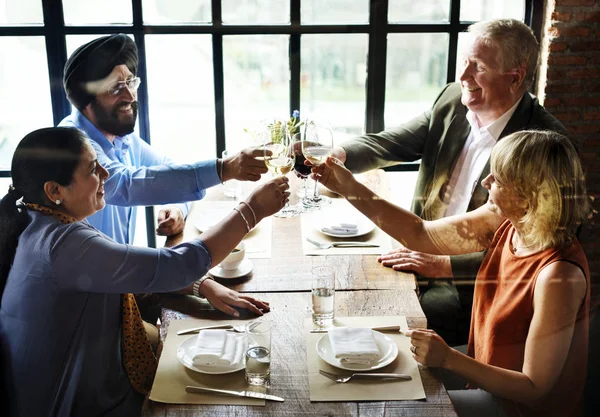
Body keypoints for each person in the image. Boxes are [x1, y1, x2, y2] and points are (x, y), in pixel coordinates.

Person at [0, 127, 289, 416]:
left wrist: (199, 285)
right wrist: (252, 209)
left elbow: (124, 271)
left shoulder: (40, 221)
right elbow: (177, 264)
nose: (106, 174)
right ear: (54, 190)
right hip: (73, 404)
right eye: (92, 168)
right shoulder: (62, 244)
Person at [317, 130, 590, 417]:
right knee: (367, 385)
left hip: (515, 409)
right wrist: (349, 187)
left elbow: (534, 388)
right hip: (484, 382)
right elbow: (418, 233)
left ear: (528, 196)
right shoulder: (510, 222)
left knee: (396, 409)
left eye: (497, 178)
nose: (486, 182)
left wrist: (448, 358)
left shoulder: (559, 277)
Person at [332, 19, 570, 345]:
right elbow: (393, 142)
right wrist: (340, 154)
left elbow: (540, 250)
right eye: (464, 62)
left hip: (472, 287)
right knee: (338, 288)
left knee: (376, 318)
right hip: (415, 247)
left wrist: (443, 265)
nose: (463, 77)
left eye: (479, 68)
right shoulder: (452, 99)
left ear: (514, 77)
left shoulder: (542, 145)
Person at [58, 33, 271, 317]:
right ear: (87, 98)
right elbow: (124, 184)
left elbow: (165, 168)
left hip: (119, 283)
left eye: (130, 82)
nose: (130, 96)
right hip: (87, 309)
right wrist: (226, 169)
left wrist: (176, 206)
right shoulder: (74, 145)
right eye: (115, 87)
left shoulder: (121, 139)